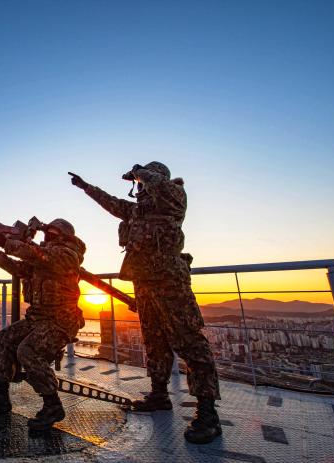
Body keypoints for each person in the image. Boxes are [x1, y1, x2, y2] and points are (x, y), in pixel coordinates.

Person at [70, 162, 222, 444]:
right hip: (145, 283)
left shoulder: (172, 198)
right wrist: (85, 187)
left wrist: (139, 171)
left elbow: (160, 184)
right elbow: (112, 203)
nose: (139, 187)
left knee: (190, 343)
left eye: (142, 182)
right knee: (154, 341)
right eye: (138, 184)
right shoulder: (138, 210)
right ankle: (159, 395)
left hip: (170, 283)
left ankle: (208, 413)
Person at [0, 218, 86, 432]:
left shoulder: (68, 256)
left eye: (51, 234)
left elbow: (37, 254)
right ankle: (0, 396)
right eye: (47, 233)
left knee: (28, 350)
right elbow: (19, 268)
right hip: (38, 318)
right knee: (4, 338)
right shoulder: (41, 257)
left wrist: (6, 243)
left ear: (64, 237)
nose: (46, 237)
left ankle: (52, 405)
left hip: (60, 322)